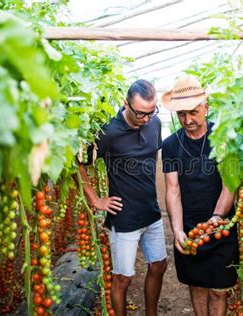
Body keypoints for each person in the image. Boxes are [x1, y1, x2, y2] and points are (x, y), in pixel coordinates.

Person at [78, 79, 167, 316]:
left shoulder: (155, 123)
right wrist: (96, 199)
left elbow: (150, 158)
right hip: (124, 217)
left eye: (151, 112)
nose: (146, 119)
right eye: (140, 113)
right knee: (123, 278)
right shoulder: (108, 132)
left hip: (151, 212)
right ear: (125, 103)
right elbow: (78, 163)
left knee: (159, 265)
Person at [161, 75, 239, 316]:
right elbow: (173, 190)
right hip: (190, 227)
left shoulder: (224, 137)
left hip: (221, 225)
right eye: (182, 114)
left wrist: (217, 217)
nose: (188, 120)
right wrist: (177, 230)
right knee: (196, 285)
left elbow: (230, 185)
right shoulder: (171, 145)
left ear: (206, 106)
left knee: (219, 290)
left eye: (193, 112)